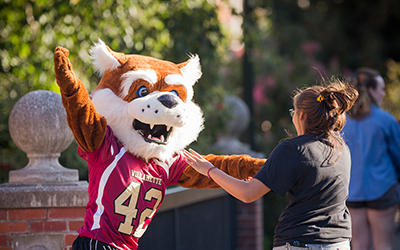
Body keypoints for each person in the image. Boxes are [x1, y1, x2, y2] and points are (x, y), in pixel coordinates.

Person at [184, 80, 358, 250]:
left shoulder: (292, 149)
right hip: (339, 242)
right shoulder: (341, 148)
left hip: (299, 242)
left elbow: (247, 194)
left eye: (294, 113)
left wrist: (209, 170)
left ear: (302, 115)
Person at [341, 67, 400, 250]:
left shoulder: (341, 121)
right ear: (372, 91)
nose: (383, 93)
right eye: (381, 88)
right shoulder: (386, 120)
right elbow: (398, 156)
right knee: (384, 245)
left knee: (359, 245)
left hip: (352, 192)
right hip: (382, 189)